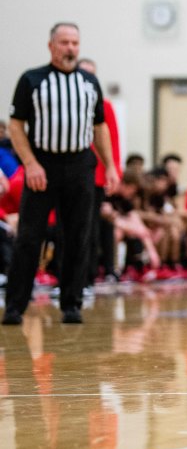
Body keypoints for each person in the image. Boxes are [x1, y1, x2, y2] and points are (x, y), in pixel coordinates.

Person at [3, 23, 120, 326]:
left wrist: (110, 165)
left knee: (77, 236)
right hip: (42, 165)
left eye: (75, 42)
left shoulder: (89, 82)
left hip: (80, 165)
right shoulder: (32, 79)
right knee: (30, 237)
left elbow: (99, 127)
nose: (70, 48)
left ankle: (72, 303)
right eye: (64, 42)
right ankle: (15, 305)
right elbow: (16, 126)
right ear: (51, 46)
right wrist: (29, 164)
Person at [77, 58, 120, 284]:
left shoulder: (105, 107)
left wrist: (114, 173)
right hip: (70, 174)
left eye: (92, 74)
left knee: (94, 227)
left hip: (96, 178)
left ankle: (91, 274)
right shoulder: (67, 103)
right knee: (76, 227)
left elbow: (112, 141)